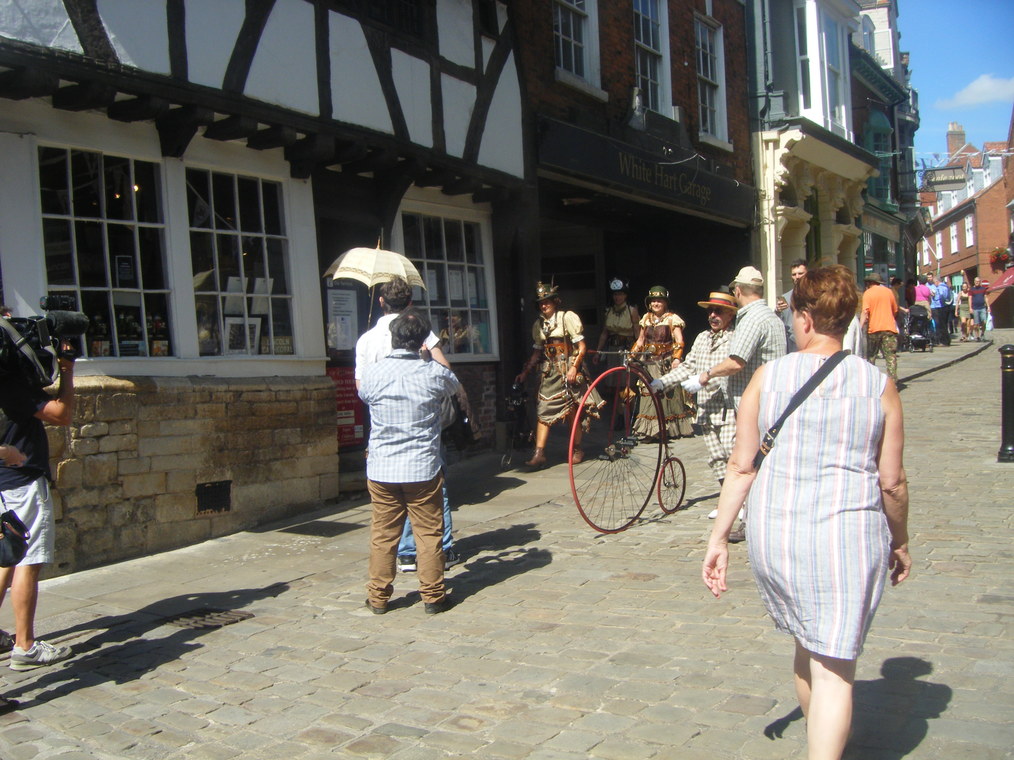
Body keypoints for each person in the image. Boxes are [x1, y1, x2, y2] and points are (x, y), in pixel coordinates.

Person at [702, 264, 911, 760]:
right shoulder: (877, 384)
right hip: (845, 538)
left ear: (806, 318)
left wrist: (718, 538)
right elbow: (892, 482)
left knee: (807, 641)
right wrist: (900, 540)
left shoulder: (768, 377)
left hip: (778, 536)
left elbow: (741, 465)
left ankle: (824, 738)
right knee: (834, 667)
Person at [354, 277, 460, 573]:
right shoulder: (421, 331)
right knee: (431, 494)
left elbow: (362, 389)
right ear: (409, 303)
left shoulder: (366, 340)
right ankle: (442, 553)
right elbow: (446, 373)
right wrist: (424, 367)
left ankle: (404, 555)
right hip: (421, 428)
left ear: (381, 302)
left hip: (384, 431)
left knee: (386, 520)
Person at [685, 266, 786, 540]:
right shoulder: (771, 317)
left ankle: (750, 523)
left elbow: (736, 361)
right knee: (761, 463)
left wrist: (705, 375)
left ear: (738, 291)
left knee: (747, 465)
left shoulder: (751, 319)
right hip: (771, 399)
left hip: (753, 403)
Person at [0, 323, 77, 673]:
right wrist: (67, 369)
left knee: (6, 557)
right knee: (27, 561)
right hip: (22, 481)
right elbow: (61, 414)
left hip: (4, 483)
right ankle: (25, 645)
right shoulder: (11, 385)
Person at [650, 290, 737, 488]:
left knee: (732, 455)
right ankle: (728, 496)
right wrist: (663, 382)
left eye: (718, 311)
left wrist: (705, 379)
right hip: (706, 409)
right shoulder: (702, 338)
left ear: (730, 314)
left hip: (728, 409)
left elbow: (735, 368)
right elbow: (688, 366)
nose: (712, 315)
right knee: (716, 458)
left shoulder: (736, 338)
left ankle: (742, 499)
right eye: (710, 311)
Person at [515, 282, 603, 469]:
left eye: (547, 301)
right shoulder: (539, 324)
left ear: (555, 301)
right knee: (543, 411)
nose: (544, 305)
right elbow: (537, 353)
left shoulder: (566, 318)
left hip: (568, 369)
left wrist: (574, 368)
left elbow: (582, 347)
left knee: (572, 412)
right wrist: (525, 372)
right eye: (541, 302)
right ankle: (539, 453)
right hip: (550, 372)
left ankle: (576, 449)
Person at [629, 285, 695, 440]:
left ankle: (667, 430)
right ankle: (650, 431)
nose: (655, 303)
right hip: (648, 363)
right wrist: (631, 355)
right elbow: (640, 340)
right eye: (653, 301)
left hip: (665, 362)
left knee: (665, 396)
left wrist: (677, 358)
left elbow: (679, 341)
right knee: (648, 394)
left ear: (665, 303)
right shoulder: (646, 318)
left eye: (659, 300)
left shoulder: (672, 319)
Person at [593, 277, 640, 376]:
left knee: (627, 375)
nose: (617, 297)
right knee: (612, 375)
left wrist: (639, 351)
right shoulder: (608, 311)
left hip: (628, 348)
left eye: (620, 294)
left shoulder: (632, 310)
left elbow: (637, 332)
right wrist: (598, 352)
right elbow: (604, 333)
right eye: (615, 294)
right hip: (612, 349)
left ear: (625, 295)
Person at [861, 272, 901, 384]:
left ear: (869, 283)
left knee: (871, 356)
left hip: (874, 329)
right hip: (889, 328)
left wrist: (860, 327)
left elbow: (865, 312)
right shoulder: (889, 292)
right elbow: (895, 310)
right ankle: (893, 381)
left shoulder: (868, 293)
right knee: (890, 356)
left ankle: (871, 381)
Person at [775, 259, 808, 352]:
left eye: (800, 273)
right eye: (794, 274)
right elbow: (778, 324)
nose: (797, 277)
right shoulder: (786, 297)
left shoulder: (816, 296)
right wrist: (778, 311)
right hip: (791, 347)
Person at [930, 274, 951, 347]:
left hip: (941, 307)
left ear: (937, 281)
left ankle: (944, 341)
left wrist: (936, 296)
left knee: (941, 325)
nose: (934, 284)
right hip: (944, 307)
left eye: (934, 282)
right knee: (944, 324)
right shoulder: (945, 286)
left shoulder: (940, 287)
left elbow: (942, 295)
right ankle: (946, 340)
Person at [969, 276, 991, 341]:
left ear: (980, 282)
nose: (977, 282)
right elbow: (970, 299)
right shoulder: (971, 289)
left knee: (984, 321)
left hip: (982, 308)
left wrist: (988, 306)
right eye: (976, 281)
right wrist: (970, 308)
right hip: (975, 308)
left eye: (978, 281)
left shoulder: (983, 289)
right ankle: (977, 336)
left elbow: (986, 298)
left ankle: (982, 334)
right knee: (976, 324)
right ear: (974, 282)